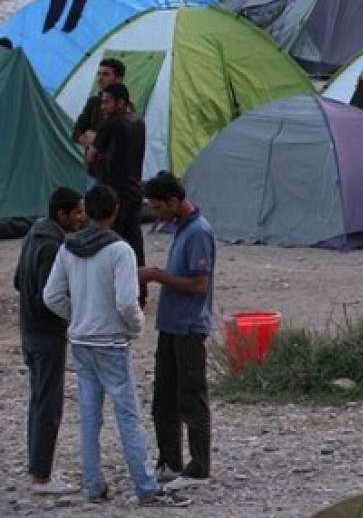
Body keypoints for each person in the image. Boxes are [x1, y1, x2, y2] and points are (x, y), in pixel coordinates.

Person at [43, 185, 189, 507]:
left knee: (89, 416)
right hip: (111, 341)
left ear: (87, 212)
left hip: (81, 340)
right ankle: (146, 487)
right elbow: (126, 301)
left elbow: (51, 296)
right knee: (127, 416)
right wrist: (135, 325)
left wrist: (77, 315)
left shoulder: (68, 248)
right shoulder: (120, 250)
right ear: (115, 212)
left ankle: (94, 485)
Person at [141, 173, 216, 490]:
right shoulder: (181, 228)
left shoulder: (199, 232)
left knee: (191, 398)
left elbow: (199, 284)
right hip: (170, 325)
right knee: (164, 399)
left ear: (173, 202)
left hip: (189, 327)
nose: (156, 214)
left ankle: (199, 468)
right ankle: (170, 462)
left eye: (159, 207)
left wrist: (157, 276)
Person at [14, 187, 85, 495]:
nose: (81, 218)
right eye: (77, 212)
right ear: (62, 214)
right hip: (46, 335)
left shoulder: (33, 235)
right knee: (48, 404)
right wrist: (76, 316)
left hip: (28, 331)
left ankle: (38, 468)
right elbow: (50, 297)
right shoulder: (53, 246)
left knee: (39, 400)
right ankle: (41, 477)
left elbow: (18, 281)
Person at [86, 82, 147, 306]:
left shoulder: (110, 124)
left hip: (115, 191)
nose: (103, 106)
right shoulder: (138, 122)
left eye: (107, 102)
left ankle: (115, 292)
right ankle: (139, 291)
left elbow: (91, 156)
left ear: (120, 102)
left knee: (111, 242)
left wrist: (95, 164)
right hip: (134, 189)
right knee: (134, 241)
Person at [71, 58, 126, 164]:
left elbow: (117, 144)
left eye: (106, 74)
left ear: (118, 79)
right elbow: (76, 133)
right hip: (93, 168)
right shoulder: (93, 102)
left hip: (114, 169)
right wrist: (95, 142)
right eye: (99, 74)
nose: (100, 79)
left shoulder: (126, 108)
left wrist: (97, 140)